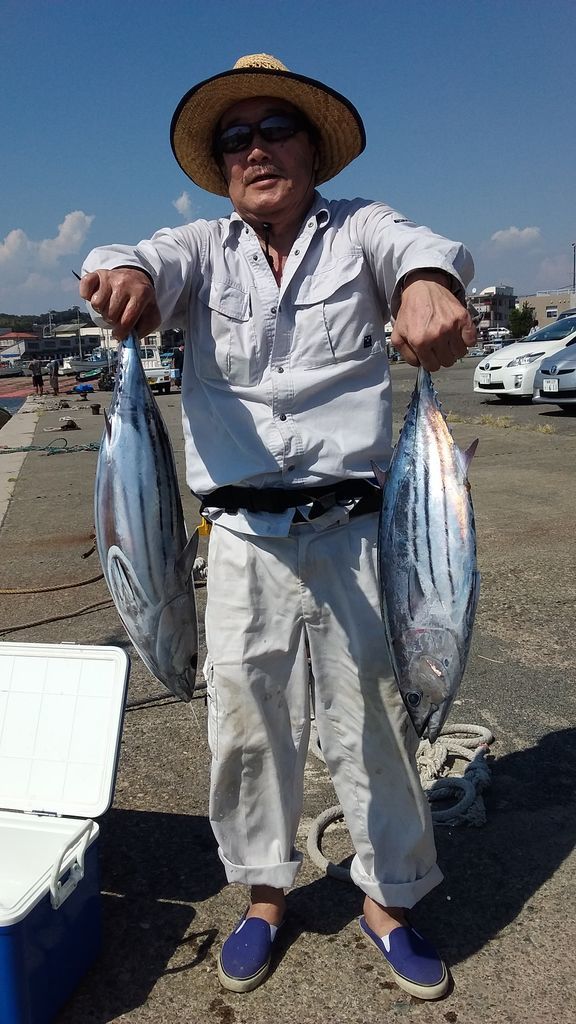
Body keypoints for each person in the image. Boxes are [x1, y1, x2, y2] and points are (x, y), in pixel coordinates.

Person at [80, 53, 477, 1001]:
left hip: (357, 533)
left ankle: (388, 899)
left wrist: (428, 284)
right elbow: (137, 259)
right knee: (246, 726)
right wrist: (123, 275)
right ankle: (264, 896)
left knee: (375, 723)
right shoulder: (201, 249)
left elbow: (425, 250)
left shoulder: (363, 231)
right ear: (222, 164)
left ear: (312, 150)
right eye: (235, 138)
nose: (255, 149)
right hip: (240, 541)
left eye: (275, 130)